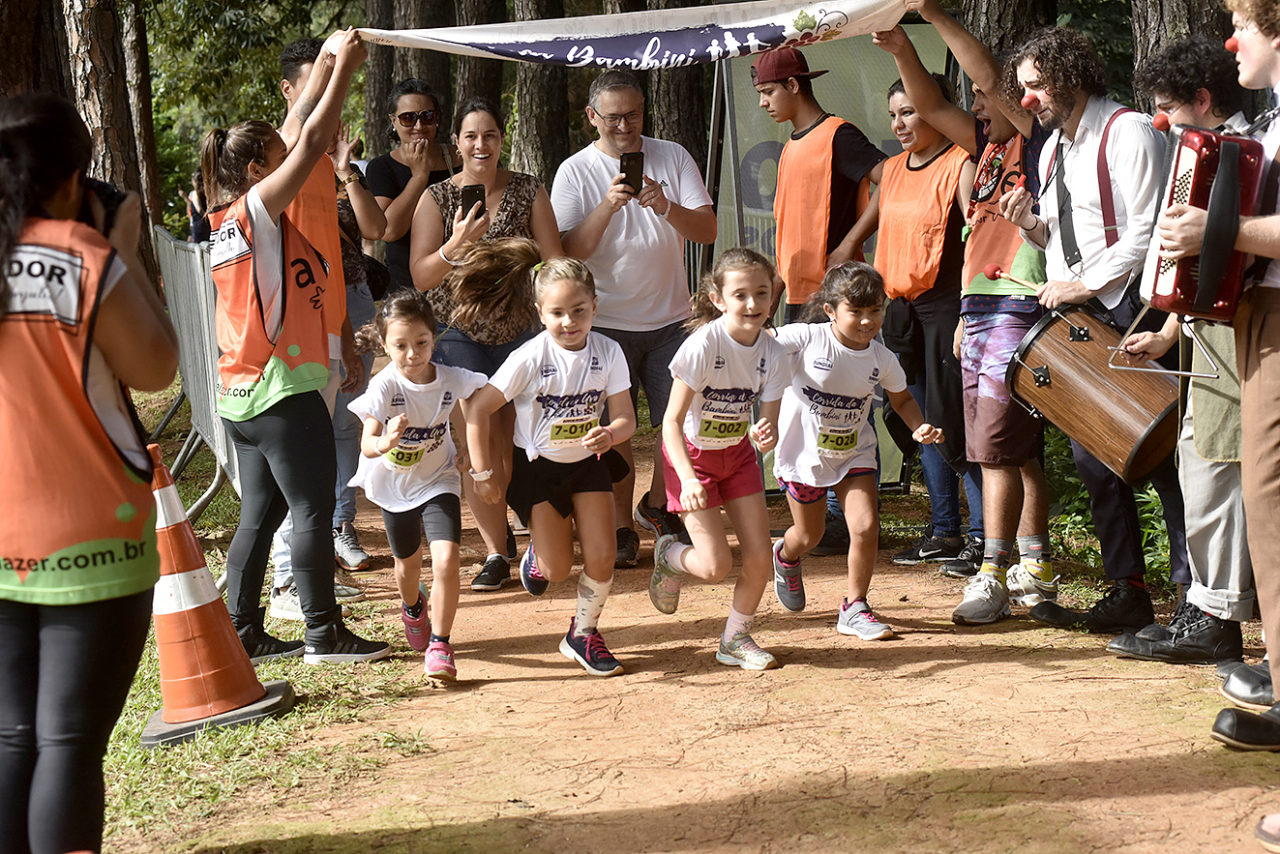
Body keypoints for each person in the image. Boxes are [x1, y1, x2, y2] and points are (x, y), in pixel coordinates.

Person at [0, 92, 179, 853]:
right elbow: (157, 364)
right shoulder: (80, 258)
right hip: (93, 535)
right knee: (69, 742)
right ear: (75, 178)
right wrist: (124, 247)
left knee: (12, 737)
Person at [201, 28, 389, 664]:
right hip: (280, 388)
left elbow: (299, 133)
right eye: (277, 156)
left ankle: (243, 629)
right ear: (258, 171)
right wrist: (344, 71)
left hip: (241, 391)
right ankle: (322, 631)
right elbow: (310, 139)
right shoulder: (256, 206)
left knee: (263, 508)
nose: (296, 160)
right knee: (311, 505)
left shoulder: (223, 220)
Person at [999, 27, 1190, 633]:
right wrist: (1029, 223)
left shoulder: (1127, 130)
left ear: (1070, 74)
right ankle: (1127, 589)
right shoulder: (1054, 147)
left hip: (1132, 308)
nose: (1027, 100)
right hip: (1080, 316)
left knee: (1160, 454)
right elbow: (1060, 241)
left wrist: (1081, 286)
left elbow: (1147, 232)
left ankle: (1194, 598)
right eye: (1022, 89)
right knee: (1093, 456)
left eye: (1036, 86)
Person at [874, 13, 1057, 623]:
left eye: (985, 96)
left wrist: (932, 14)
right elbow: (927, 99)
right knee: (1015, 450)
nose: (976, 102)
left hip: (1019, 302)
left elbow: (986, 74)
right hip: (979, 307)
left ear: (1017, 97)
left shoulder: (1037, 142)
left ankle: (992, 572)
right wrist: (901, 46)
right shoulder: (985, 147)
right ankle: (1037, 566)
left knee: (994, 449)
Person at [1157, 1, 1280, 764]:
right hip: (1263, 317)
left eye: (1248, 23)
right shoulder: (1270, 122)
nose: (1231, 41)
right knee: (1267, 505)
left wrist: (1219, 231)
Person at [1107, 34, 1251, 664]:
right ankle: (1206, 603)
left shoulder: (1247, 151)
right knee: (1200, 461)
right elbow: (1194, 270)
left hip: (1239, 333)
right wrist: (1167, 330)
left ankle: (1216, 614)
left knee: (1215, 463)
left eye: (1171, 108)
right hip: (1205, 334)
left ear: (1202, 97)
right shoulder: (1197, 152)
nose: (1162, 122)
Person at [551, 69, 717, 569]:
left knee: (687, 425)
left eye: (634, 114)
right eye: (613, 117)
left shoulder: (673, 155)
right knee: (611, 434)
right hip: (604, 326)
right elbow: (568, 251)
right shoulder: (575, 171)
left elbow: (707, 231)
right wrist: (607, 204)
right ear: (591, 118)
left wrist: (665, 205)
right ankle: (621, 528)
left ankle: (656, 505)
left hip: (672, 320)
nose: (625, 125)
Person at [409, 96, 563, 592]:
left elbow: (553, 261)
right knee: (479, 445)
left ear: (502, 141)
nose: (481, 144)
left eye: (490, 135)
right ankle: (497, 550)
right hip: (459, 333)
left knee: (521, 439)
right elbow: (419, 273)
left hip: (522, 332)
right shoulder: (436, 199)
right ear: (456, 143)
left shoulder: (528, 190)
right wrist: (454, 247)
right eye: (471, 136)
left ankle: (532, 533)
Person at [466, 247, 636, 676]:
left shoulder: (609, 352)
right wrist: (484, 473)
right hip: (539, 469)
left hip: (589, 462)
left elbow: (626, 418)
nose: (569, 322)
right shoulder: (529, 357)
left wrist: (611, 433)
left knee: (603, 555)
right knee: (558, 569)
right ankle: (538, 558)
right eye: (557, 312)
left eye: (579, 310)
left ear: (595, 306)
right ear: (540, 313)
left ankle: (583, 632)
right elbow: (478, 410)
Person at [849, 72, 985, 572]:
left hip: (947, 305)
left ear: (936, 108)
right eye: (894, 115)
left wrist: (970, 311)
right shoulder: (891, 170)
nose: (900, 123)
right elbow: (871, 231)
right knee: (920, 420)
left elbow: (978, 240)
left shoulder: (961, 163)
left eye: (910, 111)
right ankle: (944, 529)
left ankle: (980, 537)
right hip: (900, 309)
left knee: (956, 421)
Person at [770, 262, 944, 638]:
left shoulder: (882, 358)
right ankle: (785, 556)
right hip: (804, 458)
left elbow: (901, 399)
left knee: (864, 527)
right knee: (809, 537)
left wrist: (920, 426)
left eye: (875, 311)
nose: (867, 322)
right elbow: (759, 342)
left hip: (855, 453)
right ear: (831, 310)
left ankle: (854, 606)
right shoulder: (805, 338)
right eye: (856, 312)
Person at [268, 37, 378, 621]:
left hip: (326, 330)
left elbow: (329, 259)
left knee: (319, 463)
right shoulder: (286, 151)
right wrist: (341, 68)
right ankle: (288, 584)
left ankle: (308, 577)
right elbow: (305, 122)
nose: (326, 102)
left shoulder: (320, 171)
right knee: (303, 467)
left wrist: (342, 331)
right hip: (293, 340)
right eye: (316, 85)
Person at [648, 248, 791, 670]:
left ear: (772, 297)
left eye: (761, 294)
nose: (752, 305)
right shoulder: (702, 347)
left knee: (760, 556)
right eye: (741, 294)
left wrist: (765, 434)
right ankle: (669, 556)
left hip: (739, 459)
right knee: (714, 566)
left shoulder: (775, 353)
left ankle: (735, 638)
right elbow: (670, 423)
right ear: (719, 298)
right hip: (691, 460)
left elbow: (769, 427)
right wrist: (689, 479)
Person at [348, 289, 487, 680]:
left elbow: (472, 399)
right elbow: (367, 442)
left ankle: (441, 644)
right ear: (384, 345)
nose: (412, 354)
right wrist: (386, 442)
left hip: (438, 478)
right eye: (401, 346)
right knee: (407, 566)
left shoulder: (449, 377)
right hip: (393, 487)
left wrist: (467, 450)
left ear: (434, 337)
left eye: (421, 343)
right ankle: (412, 607)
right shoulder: (384, 386)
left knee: (445, 560)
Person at [750, 46, 887, 317]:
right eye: (760, 94)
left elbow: (894, 179)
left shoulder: (838, 134)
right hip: (798, 298)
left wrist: (848, 245)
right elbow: (789, 236)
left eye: (768, 92)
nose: (762, 103)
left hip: (836, 293)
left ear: (792, 85)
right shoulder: (790, 145)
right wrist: (776, 291)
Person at [366, 78, 459, 291]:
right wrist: (419, 178)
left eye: (427, 117)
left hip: (462, 287)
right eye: (408, 118)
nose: (419, 126)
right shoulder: (382, 167)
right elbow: (388, 231)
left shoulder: (459, 157)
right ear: (393, 121)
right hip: (407, 291)